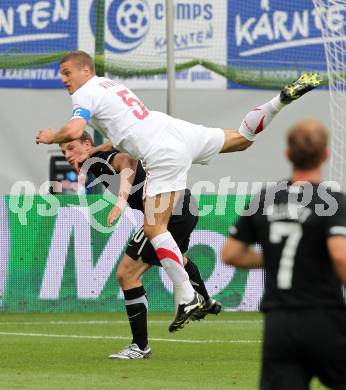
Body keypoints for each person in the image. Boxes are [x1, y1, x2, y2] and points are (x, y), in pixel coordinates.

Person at [36, 50, 321, 332]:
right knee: (241, 139)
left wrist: (52, 136)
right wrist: (100, 149)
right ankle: (279, 101)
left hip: (161, 151)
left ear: (85, 70)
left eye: (67, 72)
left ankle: (186, 296)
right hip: (173, 129)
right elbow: (123, 132)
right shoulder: (112, 87)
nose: (63, 79)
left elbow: (74, 129)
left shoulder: (84, 93)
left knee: (154, 228)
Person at [60, 132, 222, 359]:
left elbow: (126, 159)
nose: (67, 155)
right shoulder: (95, 158)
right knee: (177, 259)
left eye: (70, 148)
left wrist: (120, 202)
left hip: (168, 210)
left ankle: (140, 346)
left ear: (87, 143)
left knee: (127, 274)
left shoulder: (96, 159)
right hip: (183, 205)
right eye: (63, 152)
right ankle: (206, 301)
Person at [222, 119, 346, 390]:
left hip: (279, 324)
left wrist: (276, 256)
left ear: (288, 154)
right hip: (324, 317)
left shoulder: (266, 197)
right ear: (325, 154)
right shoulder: (333, 199)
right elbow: (340, 256)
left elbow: (231, 254)